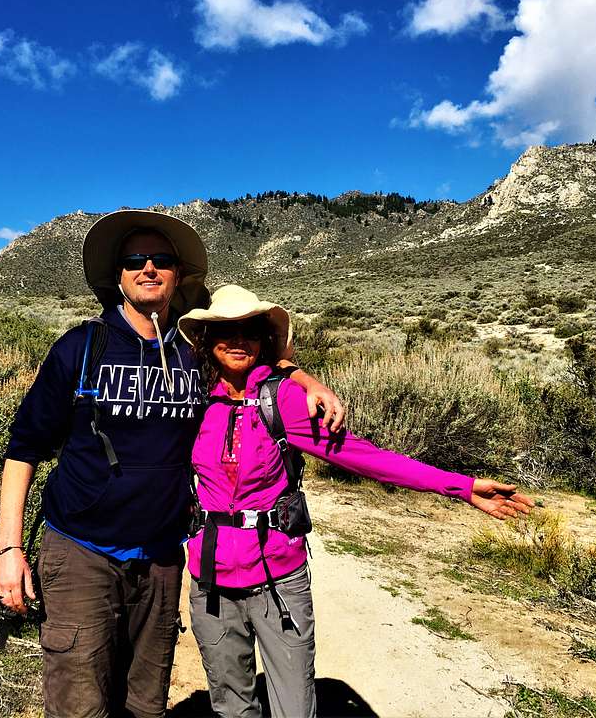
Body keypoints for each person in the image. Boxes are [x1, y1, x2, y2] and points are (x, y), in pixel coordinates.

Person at [0, 211, 345, 718]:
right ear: (117, 275)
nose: (148, 268)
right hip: (80, 551)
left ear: (179, 276)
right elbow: (23, 449)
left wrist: (306, 378)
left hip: (161, 559)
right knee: (79, 702)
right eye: (135, 260)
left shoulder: (194, 354)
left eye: (162, 260)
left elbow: (254, 360)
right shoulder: (80, 348)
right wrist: (9, 548)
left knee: (145, 703)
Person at [177, 285, 536, 718]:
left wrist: (459, 486)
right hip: (211, 581)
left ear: (263, 340)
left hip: (278, 578)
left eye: (249, 331)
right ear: (207, 338)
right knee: (231, 707)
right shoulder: (191, 400)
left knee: (294, 708)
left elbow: (365, 457)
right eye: (225, 331)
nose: (237, 341)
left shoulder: (282, 399)